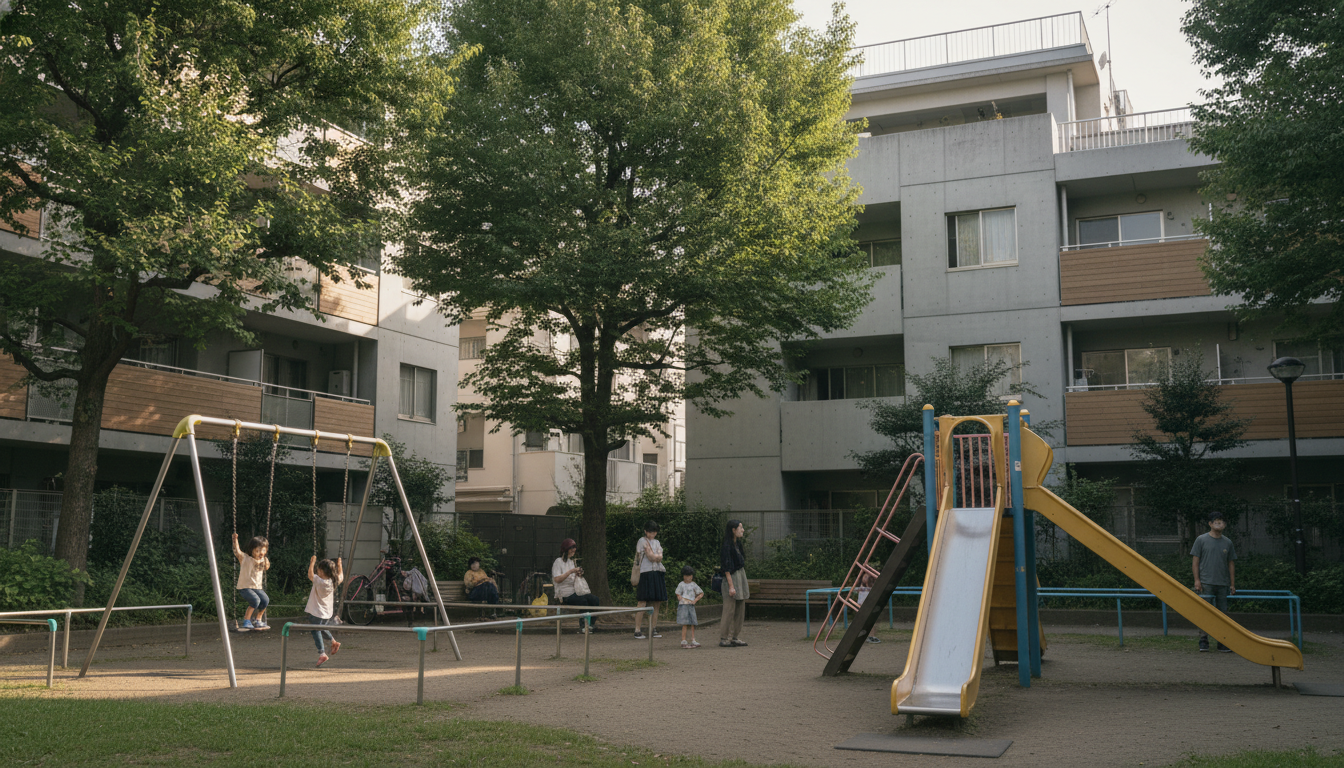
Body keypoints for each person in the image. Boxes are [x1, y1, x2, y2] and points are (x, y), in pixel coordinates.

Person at [1191, 511, 1236, 653]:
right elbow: (1195, 561)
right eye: (1216, 521)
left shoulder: (1227, 542)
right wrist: (1197, 580)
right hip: (1206, 582)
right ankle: (1203, 639)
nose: (1219, 524)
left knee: (1223, 613)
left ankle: (1222, 640)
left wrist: (1232, 583)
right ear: (1210, 524)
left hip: (1222, 583)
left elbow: (1231, 563)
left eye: (1221, 522)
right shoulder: (1201, 540)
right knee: (1205, 612)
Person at [553, 538, 599, 633]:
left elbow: (573, 577)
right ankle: (583, 626)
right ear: (565, 550)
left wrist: (578, 573)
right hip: (565, 594)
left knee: (594, 599)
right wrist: (570, 571)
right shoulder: (558, 562)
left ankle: (590, 624)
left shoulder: (571, 562)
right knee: (583, 601)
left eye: (574, 549)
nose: (573, 551)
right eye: (571, 549)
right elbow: (557, 579)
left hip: (575, 591)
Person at [305, 555, 344, 667]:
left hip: (316, 611)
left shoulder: (319, 581)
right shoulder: (333, 581)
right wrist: (340, 565)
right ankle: (333, 642)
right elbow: (341, 575)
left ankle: (322, 653)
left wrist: (312, 562)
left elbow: (310, 575)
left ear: (321, 571)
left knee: (315, 630)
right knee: (321, 628)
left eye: (318, 569)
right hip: (326, 612)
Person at [633, 520, 666, 640]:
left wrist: (657, 556)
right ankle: (637, 629)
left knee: (657, 602)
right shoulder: (642, 541)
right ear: (645, 531)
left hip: (657, 572)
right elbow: (651, 556)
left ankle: (653, 628)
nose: (652, 534)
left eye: (654, 532)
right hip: (645, 573)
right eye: (650, 532)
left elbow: (660, 556)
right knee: (642, 601)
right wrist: (657, 556)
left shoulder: (657, 542)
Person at [719, 519, 750, 647]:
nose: (742, 530)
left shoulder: (738, 544)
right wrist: (731, 586)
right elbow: (726, 568)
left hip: (740, 576)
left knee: (740, 608)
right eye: (740, 528)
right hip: (731, 578)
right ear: (733, 530)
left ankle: (735, 636)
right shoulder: (727, 545)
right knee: (729, 609)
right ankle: (724, 638)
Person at [231, 534, 271, 632]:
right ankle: (247, 620)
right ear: (251, 550)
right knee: (255, 600)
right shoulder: (245, 558)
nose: (260, 553)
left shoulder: (264, 560)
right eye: (257, 551)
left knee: (265, 600)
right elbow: (237, 551)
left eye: (263, 550)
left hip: (257, 587)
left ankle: (258, 619)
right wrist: (235, 540)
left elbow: (267, 567)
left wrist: (266, 562)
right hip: (245, 587)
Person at [675, 565, 704, 649]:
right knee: (684, 622)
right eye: (686, 576)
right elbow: (678, 592)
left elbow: (701, 593)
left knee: (692, 622)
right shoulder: (681, 584)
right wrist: (679, 597)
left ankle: (693, 639)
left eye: (690, 576)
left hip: (691, 605)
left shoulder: (693, 585)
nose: (688, 577)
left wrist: (695, 600)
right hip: (683, 605)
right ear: (683, 576)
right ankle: (683, 639)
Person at [857, 561, 881, 644]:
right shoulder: (862, 586)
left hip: (868, 605)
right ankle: (863, 636)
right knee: (862, 620)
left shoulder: (871, 586)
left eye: (867, 576)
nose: (865, 578)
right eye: (865, 576)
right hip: (861, 604)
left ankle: (872, 636)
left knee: (869, 621)